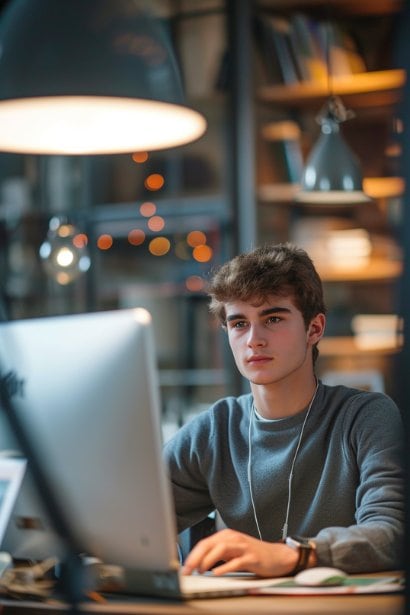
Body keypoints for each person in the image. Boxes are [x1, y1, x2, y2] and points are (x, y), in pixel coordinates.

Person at [163, 243, 404, 578]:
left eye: (273, 318)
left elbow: (393, 533)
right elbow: (128, 519)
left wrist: (295, 555)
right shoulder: (214, 429)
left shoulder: (365, 416)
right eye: (238, 324)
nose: (253, 340)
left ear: (314, 329)